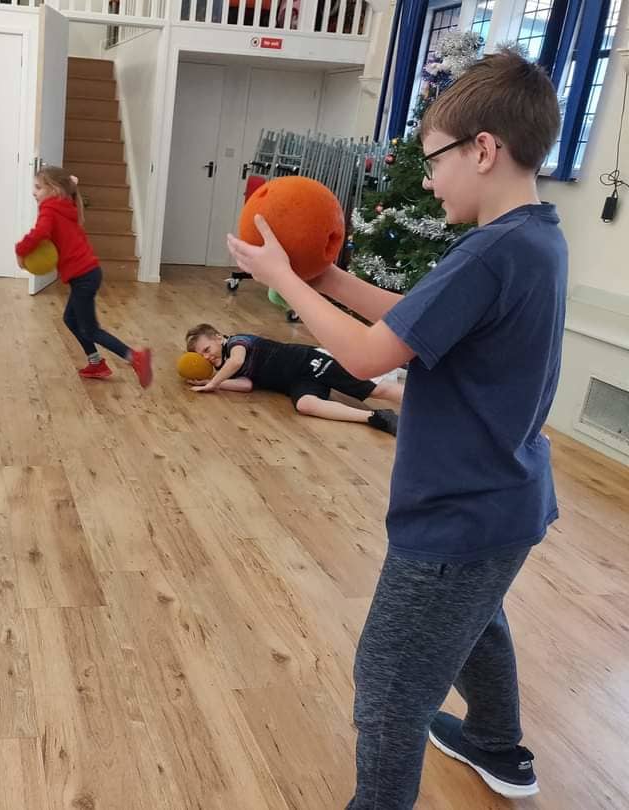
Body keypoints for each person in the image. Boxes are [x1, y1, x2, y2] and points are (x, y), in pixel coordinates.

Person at [226, 49, 565, 807]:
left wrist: (281, 281)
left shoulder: (491, 252)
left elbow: (366, 352)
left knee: (388, 686)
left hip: (456, 513)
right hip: (507, 503)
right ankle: (497, 746)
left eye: (433, 160)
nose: (426, 178)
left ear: (483, 150)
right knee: (477, 623)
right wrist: (330, 279)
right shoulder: (532, 237)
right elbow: (418, 322)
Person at [15, 166, 152, 387]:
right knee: (70, 319)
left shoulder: (50, 208)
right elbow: (69, 187)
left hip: (84, 276)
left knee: (91, 329)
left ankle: (135, 357)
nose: (34, 192)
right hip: (87, 273)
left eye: (38, 187)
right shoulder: (64, 202)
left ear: (53, 189)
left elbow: (40, 233)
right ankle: (96, 363)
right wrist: (70, 182)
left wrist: (20, 250)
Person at [184, 323, 401, 435]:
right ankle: (377, 417)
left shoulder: (236, 343)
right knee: (305, 405)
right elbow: (247, 384)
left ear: (218, 337)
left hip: (310, 361)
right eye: (201, 356)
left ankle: (427, 404)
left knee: (374, 390)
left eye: (206, 349)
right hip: (296, 382)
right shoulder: (225, 365)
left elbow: (237, 362)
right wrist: (213, 384)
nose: (206, 357)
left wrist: (214, 382)